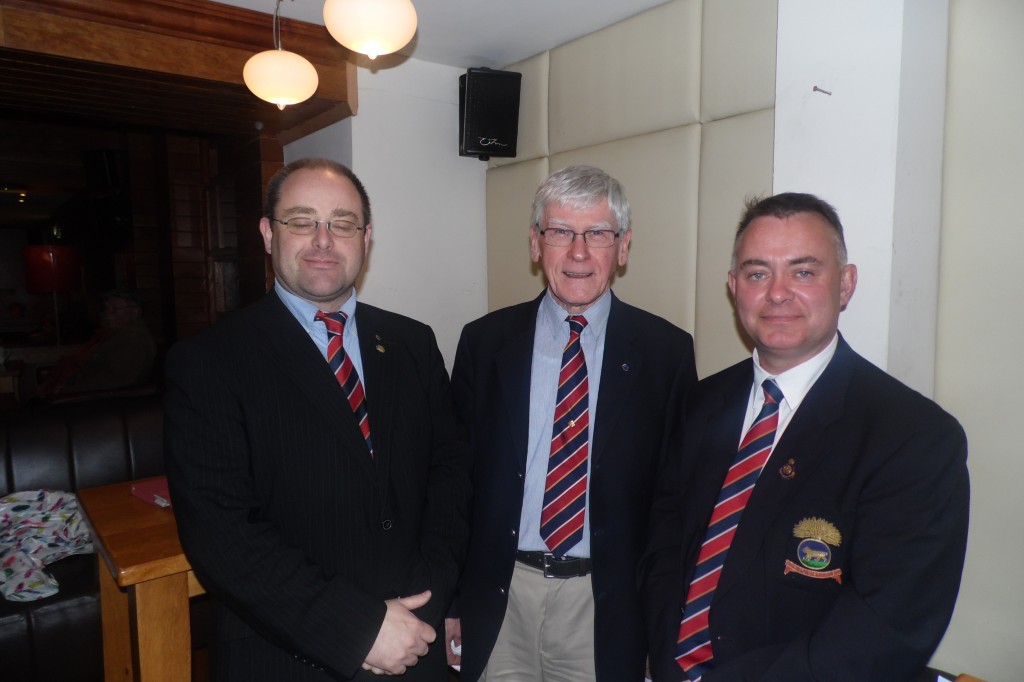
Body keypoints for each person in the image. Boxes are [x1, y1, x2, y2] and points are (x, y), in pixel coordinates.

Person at [164, 158, 472, 681]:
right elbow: (221, 533)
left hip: (417, 638)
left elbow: (450, 475)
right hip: (288, 652)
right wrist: (359, 628)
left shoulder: (412, 343)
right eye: (302, 221)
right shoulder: (208, 361)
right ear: (268, 233)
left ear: (366, 237)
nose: (324, 240)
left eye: (343, 223)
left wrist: (435, 597)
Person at [641, 192, 970, 681]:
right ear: (733, 287)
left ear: (846, 284)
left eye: (803, 271)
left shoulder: (914, 437)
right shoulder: (699, 404)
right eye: (757, 273)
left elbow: (886, 628)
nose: (777, 293)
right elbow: (664, 545)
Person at [447, 165, 697, 681]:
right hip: (501, 594)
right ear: (537, 244)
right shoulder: (484, 342)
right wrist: (452, 599)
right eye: (560, 231)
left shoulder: (666, 353)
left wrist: (662, 626)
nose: (578, 253)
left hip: (604, 604)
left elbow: (676, 504)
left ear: (622, 247)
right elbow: (455, 480)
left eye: (598, 234)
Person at [41, 289, 156, 396]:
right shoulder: (114, 334)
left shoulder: (133, 339)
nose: (107, 313)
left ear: (135, 311)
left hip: (103, 405)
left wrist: (68, 393)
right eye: (107, 308)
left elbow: (113, 382)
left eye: (115, 308)